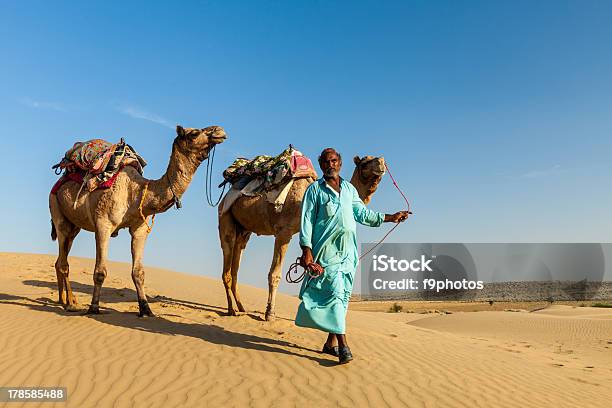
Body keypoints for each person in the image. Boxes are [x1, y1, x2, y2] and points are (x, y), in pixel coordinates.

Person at [295, 147, 410, 364]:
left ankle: (330, 344)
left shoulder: (349, 190)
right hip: (326, 252)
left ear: (340, 163)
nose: (331, 165)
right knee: (336, 292)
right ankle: (344, 346)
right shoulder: (315, 191)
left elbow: (363, 214)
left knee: (343, 297)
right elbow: (306, 221)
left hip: (349, 253)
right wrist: (306, 250)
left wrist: (391, 217)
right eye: (326, 162)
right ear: (321, 165)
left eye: (334, 161)